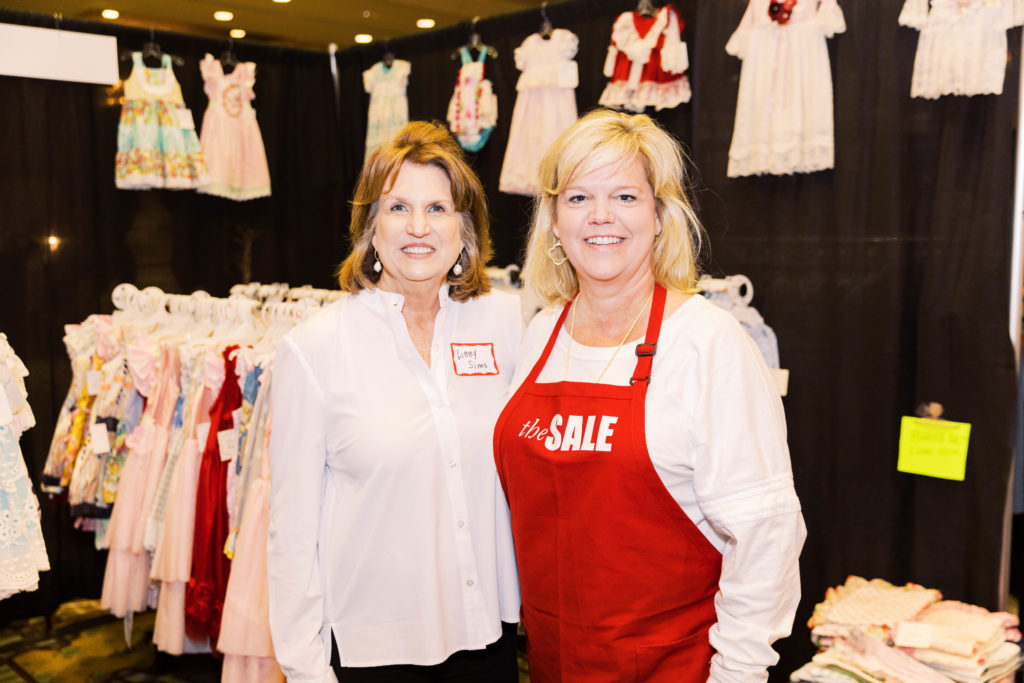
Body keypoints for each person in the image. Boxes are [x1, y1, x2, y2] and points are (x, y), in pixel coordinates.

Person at [493, 109, 807, 682]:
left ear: (660, 215)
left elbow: (766, 534)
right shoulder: (541, 332)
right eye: (579, 197)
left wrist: (738, 674)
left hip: (672, 669)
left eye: (626, 197)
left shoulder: (708, 342)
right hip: (549, 663)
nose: (602, 217)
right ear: (554, 219)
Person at [268, 120, 522, 683]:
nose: (418, 227)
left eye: (437, 209)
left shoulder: (507, 323)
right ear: (370, 228)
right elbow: (291, 531)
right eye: (398, 207)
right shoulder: (314, 348)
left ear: (464, 229)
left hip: (488, 640)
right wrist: (305, 668)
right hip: (372, 650)